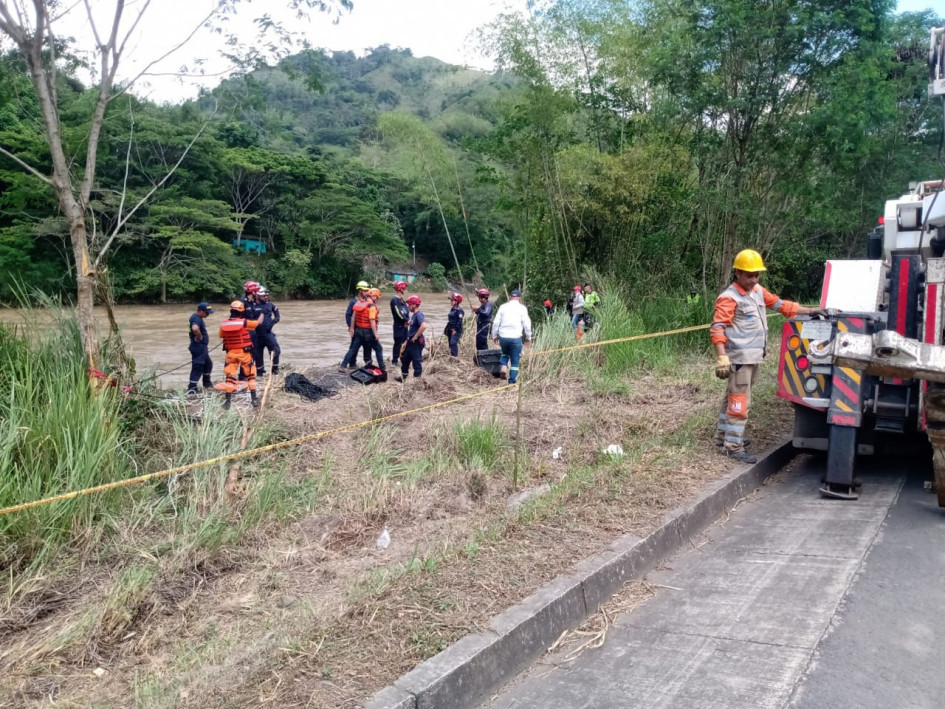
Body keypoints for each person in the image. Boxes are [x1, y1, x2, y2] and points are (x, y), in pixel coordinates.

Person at [711, 249, 825, 463]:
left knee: (734, 397)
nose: (754, 279)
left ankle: (724, 439)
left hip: (753, 357)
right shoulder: (729, 298)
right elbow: (717, 328)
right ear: (738, 273)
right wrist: (722, 357)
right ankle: (733, 446)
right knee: (740, 401)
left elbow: (781, 305)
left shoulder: (757, 291)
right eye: (749, 275)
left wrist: (811, 311)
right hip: (740, 358)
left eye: (757, 275)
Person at [219, 300, 264, 410]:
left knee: (229, 376)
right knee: (251, 375)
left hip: (230, 353)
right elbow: (257, 323)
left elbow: (221, 335)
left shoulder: (224, 323)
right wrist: (263, 313)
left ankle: (227, 402)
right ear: (241, 312)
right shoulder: (244, 322)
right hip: (244, 353)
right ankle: (254, 399)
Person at [342, 287, 387, 378]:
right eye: (377, 297)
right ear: (374, 297)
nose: (377, 299)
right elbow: (372, 320)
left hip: (358, 330)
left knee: (353, 349)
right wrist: (375, 334)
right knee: (378, 348)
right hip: (368, 331)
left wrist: (352, 328)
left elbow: (353, 316)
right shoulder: (372, 306)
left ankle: (343, 365)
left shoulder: (359, 303)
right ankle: (382, 367)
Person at [491, 289, 532, 384]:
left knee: (505, 353)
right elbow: (527, 324)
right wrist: (528, 337)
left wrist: (494, 335)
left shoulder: (503, 307)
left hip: (503, 337)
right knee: (515, 360)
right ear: (520, 298)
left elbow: (496, 322)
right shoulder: (522, 308)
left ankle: (504, 367)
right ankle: (512, 381)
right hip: (516, 338)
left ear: (510, 297)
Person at [341, 280, 374, 370]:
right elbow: (348, 314)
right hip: (356, 328)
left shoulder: (368, 302)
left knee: (367, 347)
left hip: (366, 329)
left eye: (367, 290)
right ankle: (351, 363)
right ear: (360, 291)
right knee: (354, 348)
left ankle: (368, 365)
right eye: (365, 291)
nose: (367, 292)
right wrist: (350, 327)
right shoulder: (353, 302)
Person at [395, 295, 427, 381]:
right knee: (405, 359)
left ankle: (417, 380)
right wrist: (406, 340)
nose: (408, 306)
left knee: (416, 361)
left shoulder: (419, 315)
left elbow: (423, 326)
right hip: (410, 342)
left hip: (416, 343)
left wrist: (416, 336)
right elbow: (412, 330)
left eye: (409, 304)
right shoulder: (414, 315)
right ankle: (403, 377)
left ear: (414, 305)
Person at [187, 302, 214, 396]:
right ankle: (192, 388)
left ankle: (206, 383)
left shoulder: (198, 318)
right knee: (198, 366)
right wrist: (199, 336)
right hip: (198, 346)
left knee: (208, 364)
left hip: (202, 347)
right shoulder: (196, 318)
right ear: (200, 311)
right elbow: (195, 328)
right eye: (206, 312)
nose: (208, 315)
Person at [253, 286, 281, 376]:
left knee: (275, 350)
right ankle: (260, 373)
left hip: (268, 333)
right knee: (257, 354)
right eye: (263, 296)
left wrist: (276, 318)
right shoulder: (252, 305)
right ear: (257, 296)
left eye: (266, 295)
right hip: (256, 335)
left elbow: (276, 310)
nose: (266, 297)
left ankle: (275, 370)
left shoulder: (269, 304)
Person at [390, 280, 410, 367]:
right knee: (398, 343)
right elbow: (398, 313)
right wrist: (406, 320)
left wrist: (407, 321)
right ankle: (394, 361)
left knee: (406, 343)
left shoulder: (402, 300)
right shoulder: (394, 300)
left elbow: (406, 311)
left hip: (405, 326)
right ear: (400, 289)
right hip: (398, 326)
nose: (405, 290)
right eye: (404, 289)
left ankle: (404, 360)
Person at [472, 288, 493, 353]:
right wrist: (476, 311)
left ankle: (485, 356)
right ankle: (480, 356)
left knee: (482, 343)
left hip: (484, 326)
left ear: (485, 297)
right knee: (478, 342)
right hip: (480, 326)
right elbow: (481, 313)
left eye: (481, 297)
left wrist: (478, 309)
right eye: (479, 297)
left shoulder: (488, 304)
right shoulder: (484, 305)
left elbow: (486, 313)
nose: (479, 299)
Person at [446, 292, 465, 357]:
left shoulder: (459, 310)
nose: (450, 301)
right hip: (450, 329)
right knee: (450, 344)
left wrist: (455, 330)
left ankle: (455, 357)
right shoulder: (453, 309)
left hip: (456, 330)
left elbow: (460, 321)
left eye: (452, 300)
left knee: (453, 343)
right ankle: (452, 355)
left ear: (456, 302)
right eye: (450, 300)